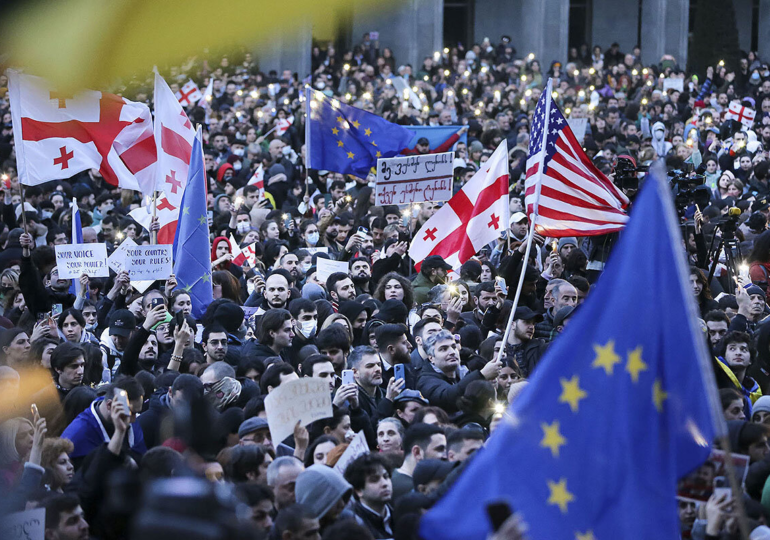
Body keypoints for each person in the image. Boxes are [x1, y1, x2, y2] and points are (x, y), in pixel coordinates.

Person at [61, 376, 146, 468]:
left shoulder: (132, 424)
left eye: (136, 413)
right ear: (109, 405)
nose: (133, 420)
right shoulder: (78, 433)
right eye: (130, 413)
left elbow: (142, 459)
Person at [417, 330, 501, 414]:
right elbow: (447, 398)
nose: (452, 352)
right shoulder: (425, 381)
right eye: (443, 349)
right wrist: (482, 375)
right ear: (431, 358)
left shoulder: (466, 371)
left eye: (453, 347)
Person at [390, 422, 447, 501]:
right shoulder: (410, 490)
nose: (445, 456)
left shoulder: (394, 479)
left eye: (446, 450)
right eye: (439, 449)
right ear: (417, 452)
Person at [344, 453, 394, 539]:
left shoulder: (400, 514)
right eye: (374, 480)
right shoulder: (352, 524)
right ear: (358, 490)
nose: (385, 484)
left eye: (386, 477)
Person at [504, 306, 549, 378]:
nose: (531, 327)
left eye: (533, 323)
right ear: (512, 324)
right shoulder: (497, 347)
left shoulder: (540, 348)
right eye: (527, 322)